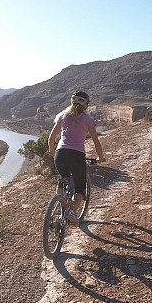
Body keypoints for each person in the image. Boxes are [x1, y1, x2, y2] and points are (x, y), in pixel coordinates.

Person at [47, 91, 106, 224]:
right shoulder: (88, 121)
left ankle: (59, 208)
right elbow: (96, 142)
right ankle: (71, 212)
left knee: (63, 180)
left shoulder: (62, 116)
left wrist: (51, 151)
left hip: (60, 154)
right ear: (86, 105)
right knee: (80, 188)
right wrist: (100, 157)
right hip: (77, 155)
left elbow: (51, 138)